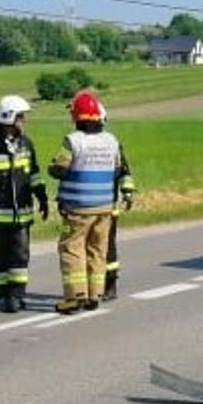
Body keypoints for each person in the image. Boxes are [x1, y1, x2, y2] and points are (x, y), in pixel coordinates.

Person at [49, 90, 133, 314]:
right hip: (104, 207)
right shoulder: (111, 140)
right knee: (98, 250)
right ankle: (95, 294)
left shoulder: (73, 141)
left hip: (77, 208)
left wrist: (52, 166)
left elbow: (59, 169)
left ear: (76, 116)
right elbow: (117, 169)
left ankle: (75, 296)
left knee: (71, 248)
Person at [0, 95, 50, 313]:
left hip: (22, 212)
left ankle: (16, 295)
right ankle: (3, 292)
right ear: (8, 117)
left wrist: (42, 197)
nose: (23, 120)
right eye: (20, 116)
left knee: (20, 253)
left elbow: (33, 173)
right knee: (1, 255)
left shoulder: (26, 143)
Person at [96, 100, 137, 301]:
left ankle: (110, 285)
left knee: (107, 247)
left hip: (107, 206)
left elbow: (124, 170)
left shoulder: (111, 143)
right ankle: (92, 287)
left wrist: (127, 191)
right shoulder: (80, 142)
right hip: (88, 206)